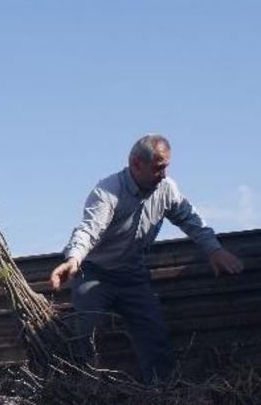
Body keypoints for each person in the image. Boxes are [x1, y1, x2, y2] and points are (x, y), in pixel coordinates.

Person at [49, 134, 244, 382]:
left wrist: (214, 249)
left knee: (154, 337)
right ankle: (78, 390)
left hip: (133, 277)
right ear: (136, 163)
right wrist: (74, 259)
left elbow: (190, 219)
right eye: (158, 167)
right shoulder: (108, 191)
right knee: (82, 333)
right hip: (95, 273)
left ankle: (162, 393)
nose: (163, 174)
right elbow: (89, 228)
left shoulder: (167, 189)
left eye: (166, 167)